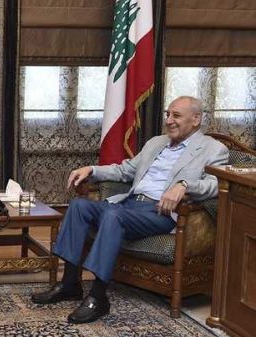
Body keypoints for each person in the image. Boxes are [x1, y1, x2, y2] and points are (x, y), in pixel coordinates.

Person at [31, 96, 229, 324]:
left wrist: (185, 185)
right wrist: (92, 169)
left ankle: (98, 296)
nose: (169, 121)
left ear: (196, 119)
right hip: (129, 203)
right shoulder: (156, 142)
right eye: (167, 114)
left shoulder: (214, 149)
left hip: (159, 212)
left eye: (176, 116)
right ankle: (69, 284)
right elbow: (125, 170)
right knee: (79, 206)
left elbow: (217, 185)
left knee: (112, 215)